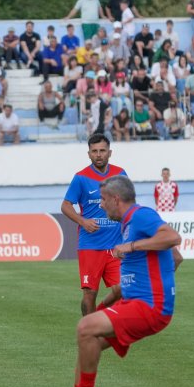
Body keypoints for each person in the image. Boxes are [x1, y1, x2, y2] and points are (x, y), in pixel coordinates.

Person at [49, 175, 179, 387]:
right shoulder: (127, 224)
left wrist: (132, 249)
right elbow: (176, 257)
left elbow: (172, 238)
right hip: (134, 302)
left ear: (115, 199)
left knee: (85, 327)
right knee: (89, 342)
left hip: (150, 306)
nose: (101, 205)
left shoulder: (141, 215)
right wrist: (105, 304)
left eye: (103, 200)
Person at [61, 134, 127, 316]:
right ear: (89, 154)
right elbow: (66, 205)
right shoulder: (81, 178)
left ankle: (106, 321)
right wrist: (83, 221)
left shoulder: (120, 174)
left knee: (122, 290)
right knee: (90, 293)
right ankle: (89, 330)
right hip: (90, 246)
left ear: (110, 152)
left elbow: (128, 203)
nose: (99, 155)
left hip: (115, 246)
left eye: (102, 151)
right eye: (94, 151)